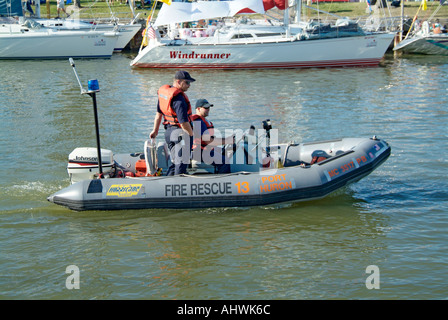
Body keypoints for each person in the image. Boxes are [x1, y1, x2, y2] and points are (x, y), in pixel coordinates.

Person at [150, 70, 195, 176]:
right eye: (187, 83)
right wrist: (191, 135)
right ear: (178, 82)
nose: (189, 85)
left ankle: (168, 182)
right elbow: (183, 123)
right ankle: (178, 185)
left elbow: (158, 115)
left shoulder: (165, 94)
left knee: (175, 161)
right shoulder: (179, 99)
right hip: (180, 133)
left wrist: (155, 131)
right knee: (181, 163)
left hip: (169, 133)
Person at [191, 99, 234, 174]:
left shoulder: (204, 121)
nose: (208, 110)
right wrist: (227, 140)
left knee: (225, 151)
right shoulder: (198, 122)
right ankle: (223, 182)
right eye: (206, 108)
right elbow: (208, 140)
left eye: (209, 108)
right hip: (199, 152)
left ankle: (218, 174)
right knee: (224, 161)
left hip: (205, 149)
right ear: (198, 109)